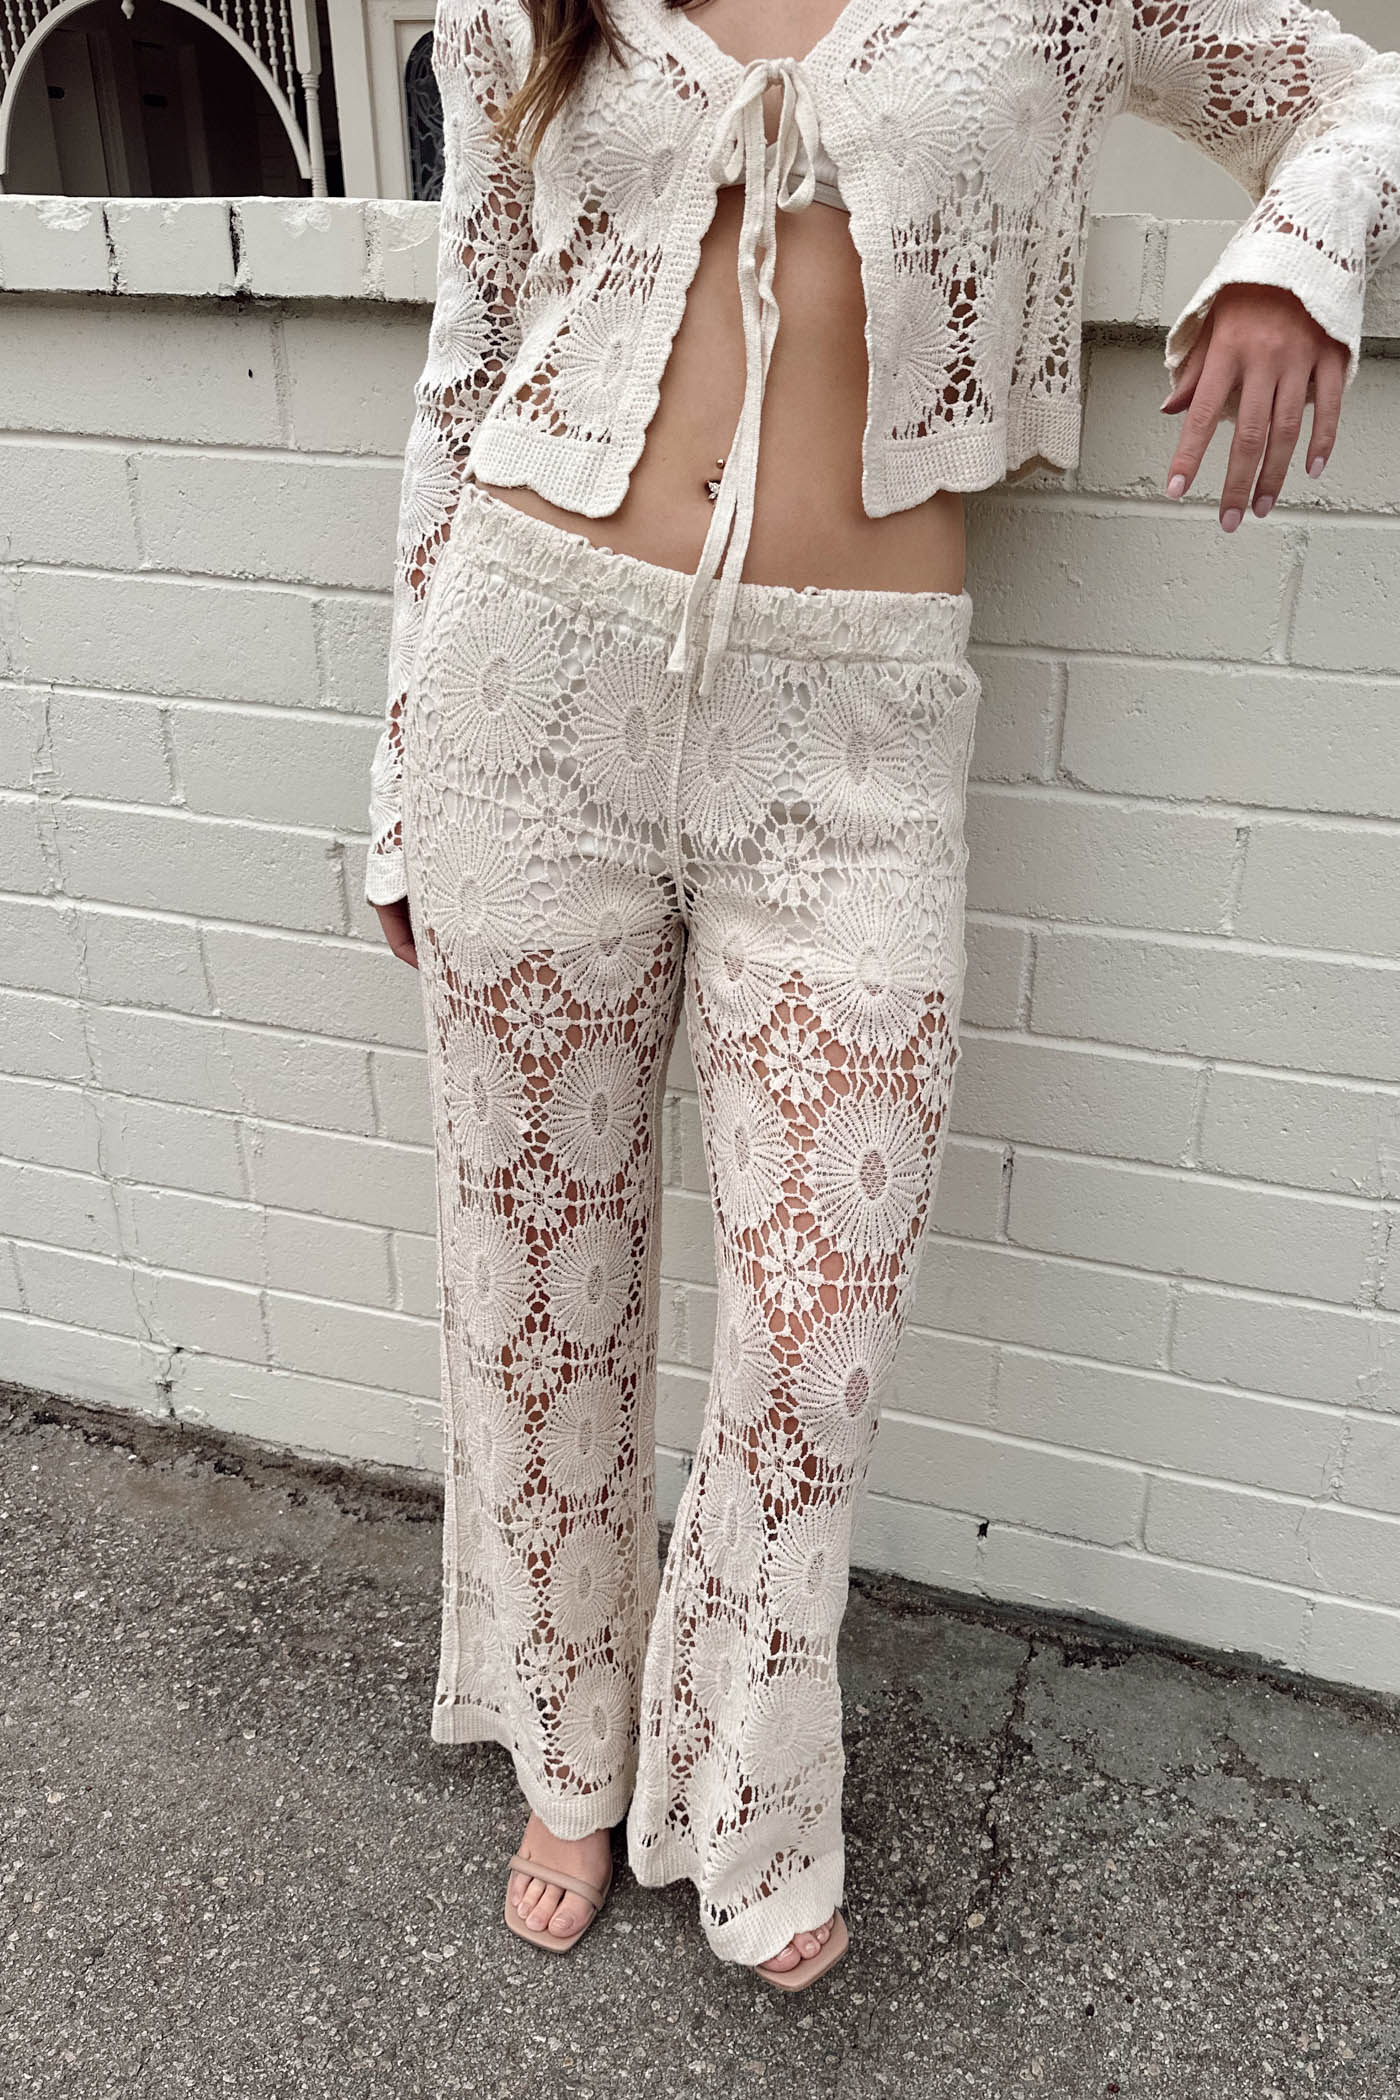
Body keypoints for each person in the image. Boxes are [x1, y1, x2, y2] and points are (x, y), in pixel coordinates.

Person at [365, 0, 1400, 1989]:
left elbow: (1363, 95)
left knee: (815, 1342)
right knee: (535, 1285)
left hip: (852, 738)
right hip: (525, 673)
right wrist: (396, 782)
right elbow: (466, 355)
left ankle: (738, 1797)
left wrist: (1295, 244)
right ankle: (574, 1759)